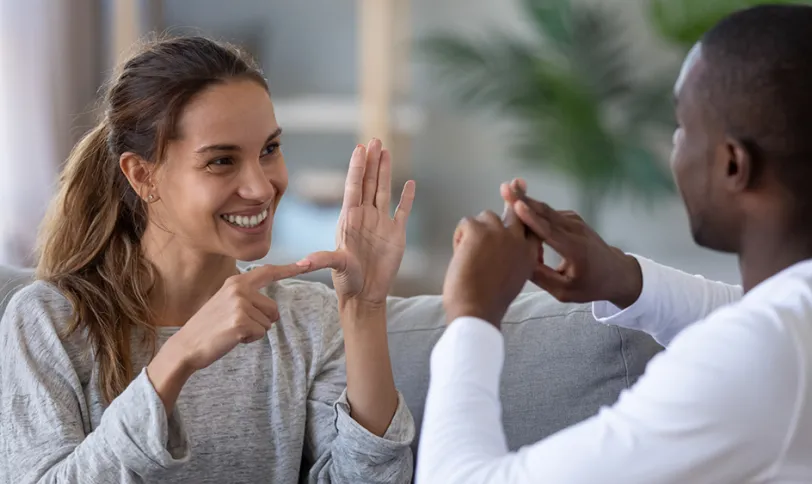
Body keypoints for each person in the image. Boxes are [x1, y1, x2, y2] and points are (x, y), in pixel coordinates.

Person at [417, 4, 812, 483]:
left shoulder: (754, 359)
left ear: (733, 164)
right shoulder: (786, 327)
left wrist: (472, 315)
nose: (675, 149)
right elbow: (763, 316)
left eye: (683, 128)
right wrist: (624, 278)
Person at [0, 36, 417, 483]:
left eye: (269, 150)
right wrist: (178, 356)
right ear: (142, 175)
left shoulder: (307, 321)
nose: (261, 187)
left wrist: (365, 309)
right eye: (221, 161)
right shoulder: (50, 320)